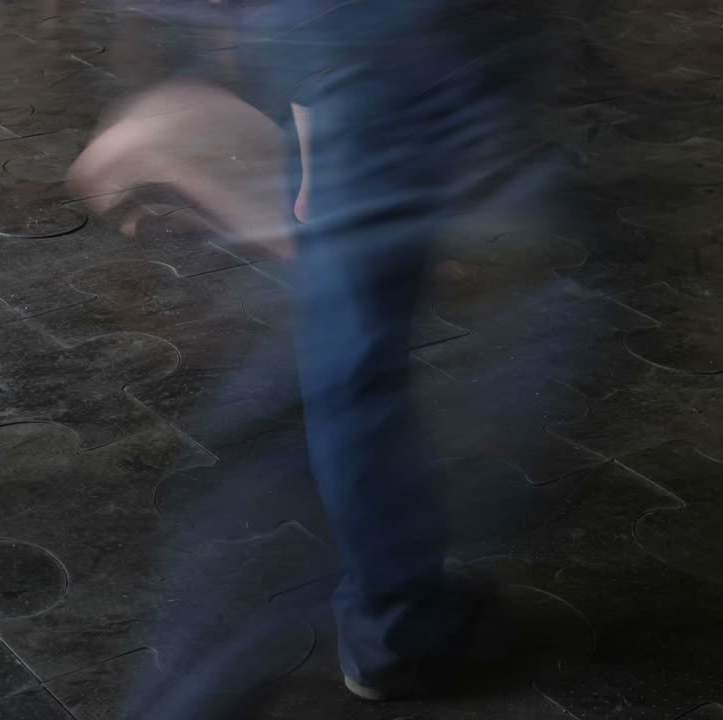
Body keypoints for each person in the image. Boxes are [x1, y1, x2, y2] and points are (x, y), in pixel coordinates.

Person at [72, 0, 562, 712]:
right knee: (349, 368)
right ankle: (387, 626)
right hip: (379, 45)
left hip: (353, 46)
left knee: (344, 348)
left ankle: (389, 611)